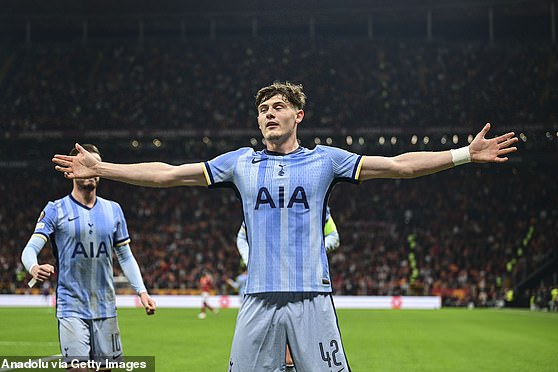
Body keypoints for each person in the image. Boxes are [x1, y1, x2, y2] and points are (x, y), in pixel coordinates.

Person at [52, 82, 518, 371]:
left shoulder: (325, 161)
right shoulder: (240, 163)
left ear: (298, 115)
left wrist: (463, 154)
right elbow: (169, 173)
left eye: (277, 107)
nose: (268, 114)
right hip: (257, 300)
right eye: (262, 110)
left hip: (311, 299)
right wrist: (105, 167)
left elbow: (399, 165)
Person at [23, 144, 156, 371]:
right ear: (72, 170)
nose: (92, 169)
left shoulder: (114, 210)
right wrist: (33, 267)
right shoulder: (55, 209)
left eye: (96, 165)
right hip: (71, 306)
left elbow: (125, 256)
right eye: (86, 163)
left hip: (105, 307)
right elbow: (29, 249)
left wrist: (141, 291)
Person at [235, 207, 339, 371]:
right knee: (264, 348)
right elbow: (241, 237)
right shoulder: (260, 200)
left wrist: (311, 252)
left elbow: (334, 237)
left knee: (303, 347)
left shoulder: (313, 200)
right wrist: (252, 260)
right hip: (266, 283)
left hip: (304, 282)